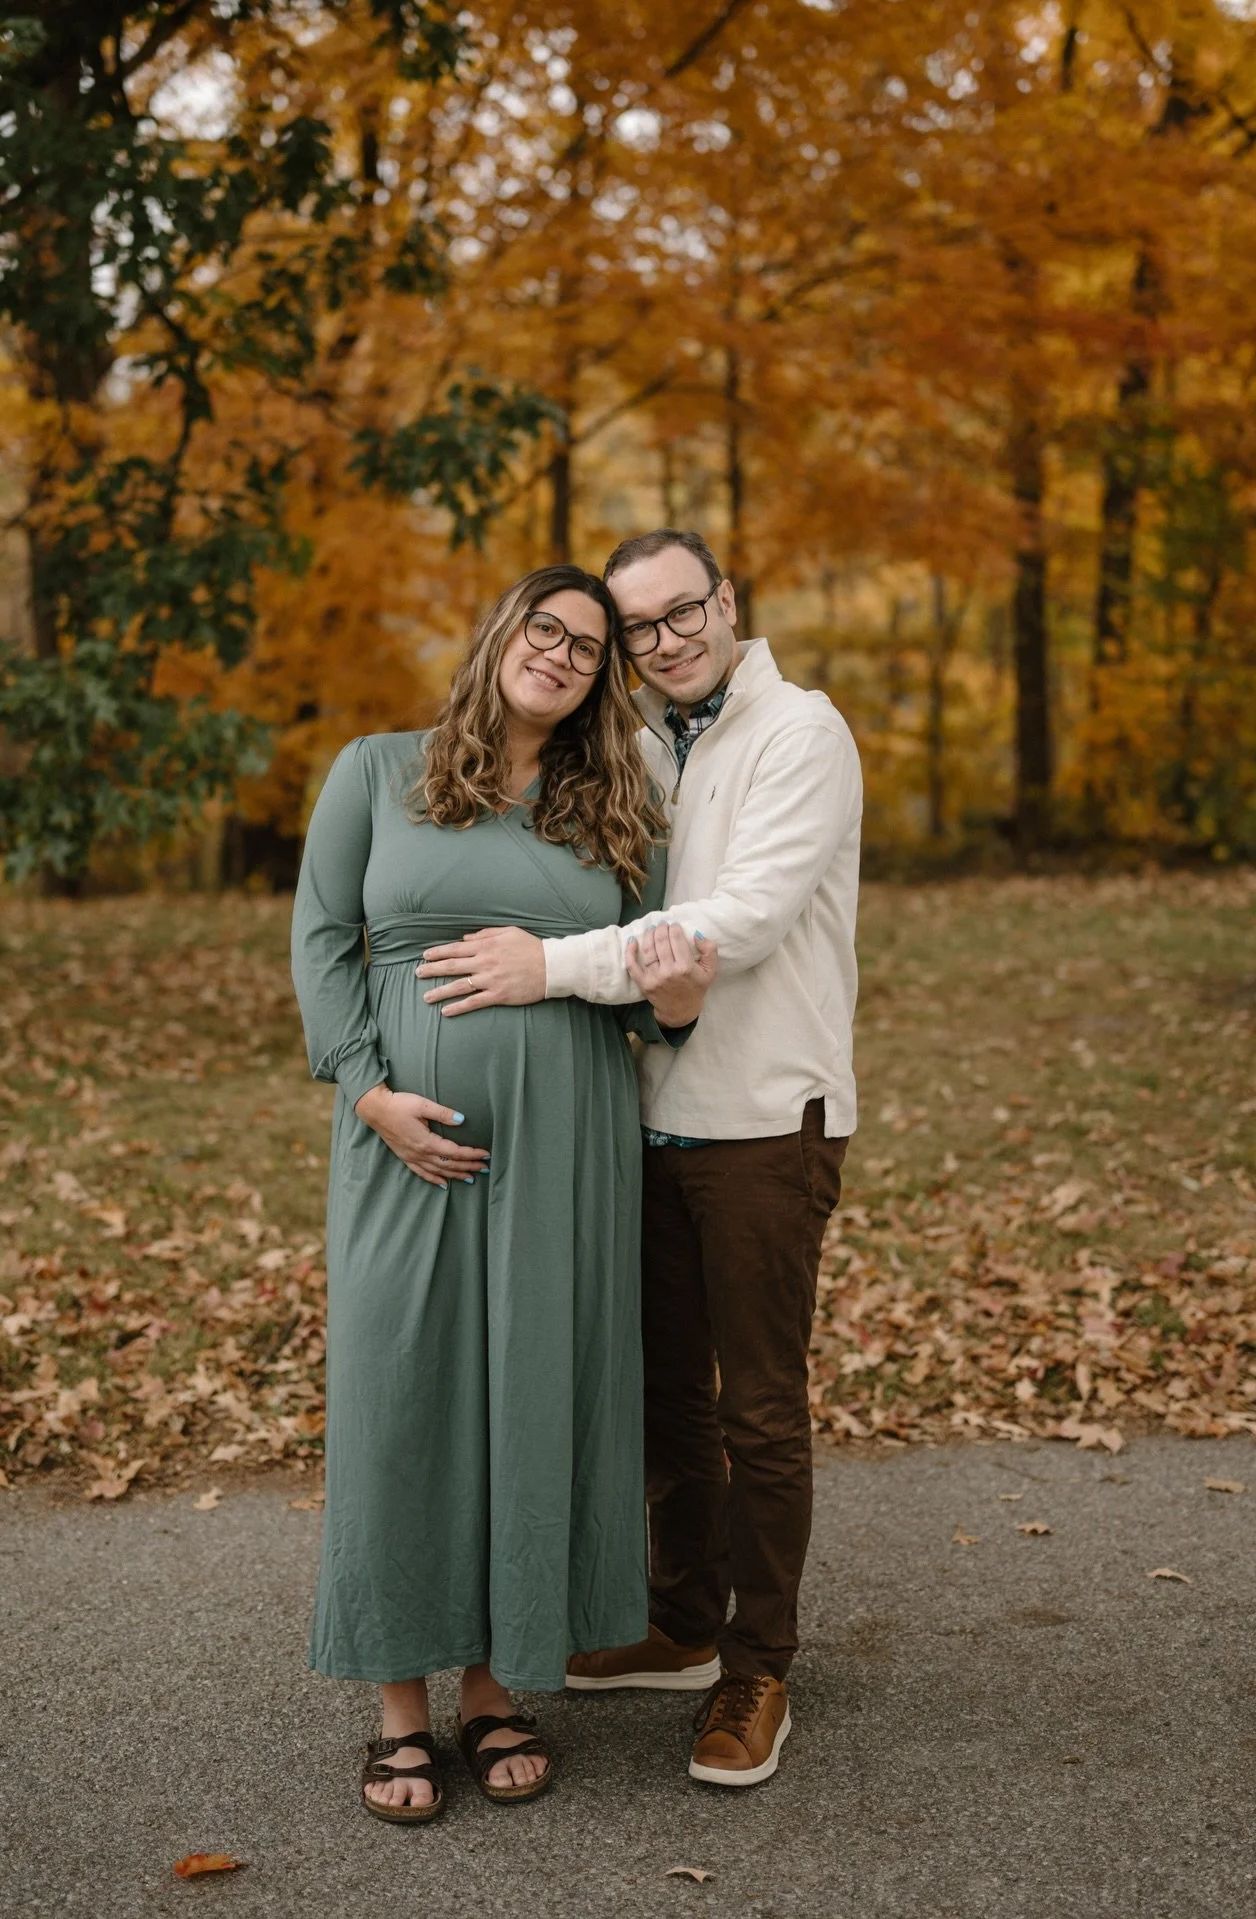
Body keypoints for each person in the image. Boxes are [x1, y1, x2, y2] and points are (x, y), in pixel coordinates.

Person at [416, 528, 861, 1789]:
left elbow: (740, 923)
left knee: (757, 1409)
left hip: (768, 1121)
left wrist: (544, 966)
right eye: (640, 627)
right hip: (643, 1116)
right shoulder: (644, 744)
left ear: (728, 603)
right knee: (667, 1397)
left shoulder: (799, 732)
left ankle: (758, 1663)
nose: (664, 641)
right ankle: (682, 1617)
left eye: (683, 614)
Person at [291, 562, 715, 1824]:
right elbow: (321, 938)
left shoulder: (609, 804)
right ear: (501, 636)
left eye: (590, 649)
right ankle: (398, 1705)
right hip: (401, 1139)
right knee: (402, 1384)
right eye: (548, 630)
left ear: (600, 682)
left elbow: (646, 975)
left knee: (526, 1390)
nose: (565, 656)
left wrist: (680, 999)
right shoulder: (377, 767)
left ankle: (491, 1686)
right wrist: (370, 1092)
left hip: (568, 1144)